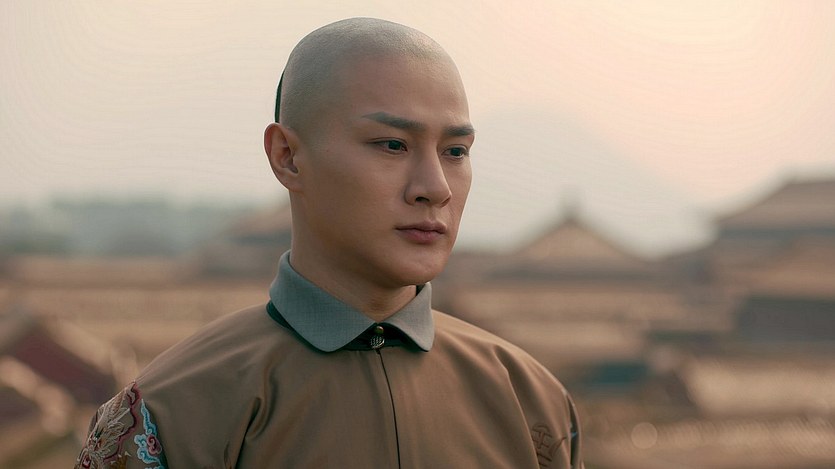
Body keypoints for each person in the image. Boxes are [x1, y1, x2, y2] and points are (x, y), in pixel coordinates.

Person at [75, 18, 584, 469]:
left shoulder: (532, 402)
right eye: (392, 144)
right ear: (288, 157)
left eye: (455, 151)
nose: (435, 187)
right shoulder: (172, 413)